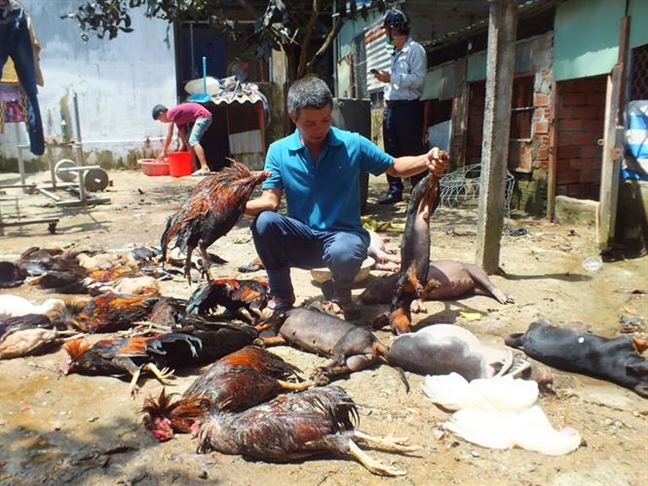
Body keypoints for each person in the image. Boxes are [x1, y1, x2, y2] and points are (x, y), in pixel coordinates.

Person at [244, 77, 447, 320]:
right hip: (302, 239)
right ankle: (282, 295)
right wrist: (231, 208)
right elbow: (270, 201)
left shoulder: (352, 143)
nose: (319, 128)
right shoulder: (279, 150)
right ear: (292, 117)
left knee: (345, 252)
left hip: (343, 238)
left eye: (325, 120)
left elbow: (394, 167)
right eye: (309, 123)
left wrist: (426, 159)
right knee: (264, 222)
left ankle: (340, 290)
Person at [373, 8, 428, 204]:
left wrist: (392, 77)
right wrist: (385, 80)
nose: (386, 35)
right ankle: (394, 190)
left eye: (388, 30)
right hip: (392, 108)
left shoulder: (415, 50)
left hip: (409, 108)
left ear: (394, 30)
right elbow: (394, 82)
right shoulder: (395, 53)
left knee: (412, 149)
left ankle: (420, 191)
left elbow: (418, 80)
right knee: (391, 149)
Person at [152, 102, 212, 176]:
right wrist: (177, 153)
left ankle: (205, 168)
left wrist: (164, 151)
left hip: (203, 116)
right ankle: (194, 168)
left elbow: (170, 134)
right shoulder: (178, 120)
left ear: (161, 114)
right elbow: (183, 141)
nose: (161, 121)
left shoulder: (170, 114)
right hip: (202, 117)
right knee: (188, 141)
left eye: (159, 119)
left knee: (193, 140)